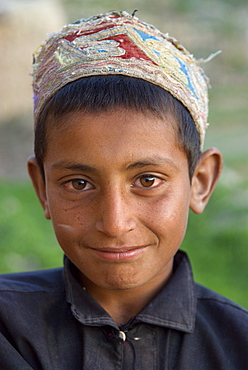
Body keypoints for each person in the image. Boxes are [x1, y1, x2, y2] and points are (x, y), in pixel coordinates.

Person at [0, 10, 247, 369]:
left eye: (147, 180)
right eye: (79, 183)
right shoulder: (8, 329)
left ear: (201, 182)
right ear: (41, 188)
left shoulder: (237, 345)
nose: (115, 223)